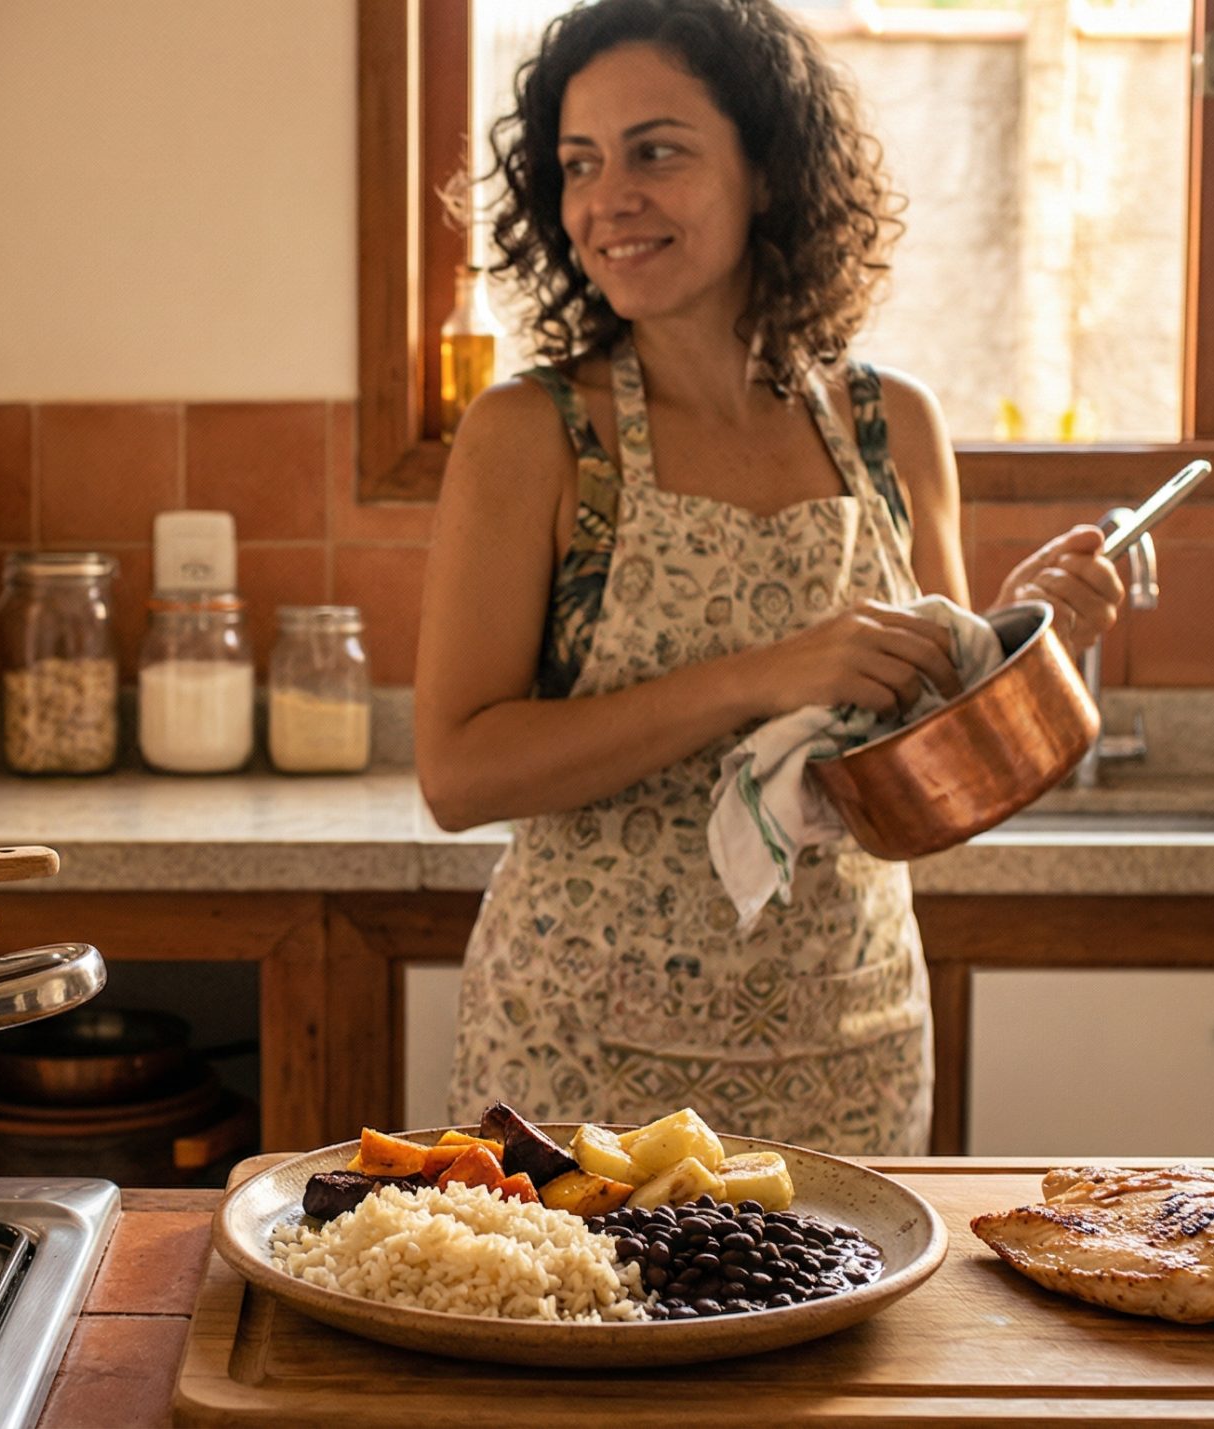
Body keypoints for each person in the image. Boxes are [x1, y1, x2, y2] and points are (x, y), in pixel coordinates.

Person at [415, 0, 1124, 1156]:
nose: (607, 199)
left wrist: (1018, 644)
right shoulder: (532, 435)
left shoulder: (892, 425)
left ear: (767, 175)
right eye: (580, 164)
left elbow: (925, 768)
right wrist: (761, 675)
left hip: (847, 1034)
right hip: (582, 1051)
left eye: (658, 151)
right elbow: (457, 772)